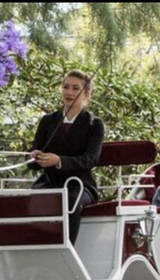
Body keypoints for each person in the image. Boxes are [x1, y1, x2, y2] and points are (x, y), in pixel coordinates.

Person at [29, 69, 105, 244]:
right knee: (32, 200)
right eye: (66, 87)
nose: (69, 92)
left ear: (86, 94)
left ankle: (65, 248)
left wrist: (59, 161)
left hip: (80, 185)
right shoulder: (48, 121)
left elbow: (90, 159)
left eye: (75, 88)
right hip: (50, 182)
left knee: (70, 202)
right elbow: (33, 160)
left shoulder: (94, 125)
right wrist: (34, 157)